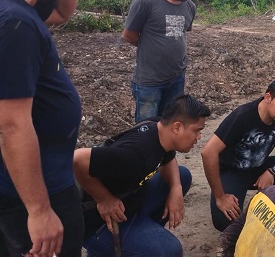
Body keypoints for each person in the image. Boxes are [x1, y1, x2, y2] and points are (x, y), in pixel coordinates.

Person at [0, 0, 84, 257]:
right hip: (31, 195)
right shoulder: (13, 23)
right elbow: (10, 124)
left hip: (42, 181)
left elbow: (62, 14)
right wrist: (39, 210)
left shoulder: (20, 10)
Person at [74, 94, 210, 257]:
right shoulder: (135, 154)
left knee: (181, 176)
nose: (199, 137)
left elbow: (168, 157)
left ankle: (141, 236)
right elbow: (77, 160)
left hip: (128, 202)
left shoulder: (159, 129)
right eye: (197, 130)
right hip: (98, 224)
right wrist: (103, 199)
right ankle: (112, 247)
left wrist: (176, 188)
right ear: (177, 128)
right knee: (170, 251)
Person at [201, 79, 275, 232]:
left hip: (260, 167)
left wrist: (271, 171)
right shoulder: (243, 116)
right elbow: (208, 152)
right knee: (225, 222)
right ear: (268, 97)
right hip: (232, 170)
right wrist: (220, 197)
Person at [122, 0, 198, 123]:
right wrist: (151, 47)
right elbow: (129, 35)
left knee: (170, 125)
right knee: (146, 129)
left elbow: (180, 34)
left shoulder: (190, 7)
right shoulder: (146, 2)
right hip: (149, 81)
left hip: (177, 77)